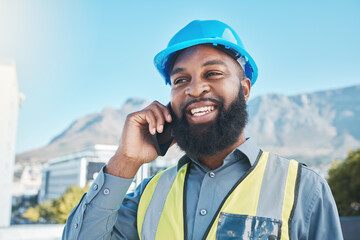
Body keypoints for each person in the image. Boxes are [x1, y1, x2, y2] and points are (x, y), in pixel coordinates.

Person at [62, 20, 343, 240]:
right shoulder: (149, 195)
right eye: (181, 79)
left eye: (213, 73)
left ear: (244, 89)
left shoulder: (304, 189)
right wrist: (125, 160)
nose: (195, 89)